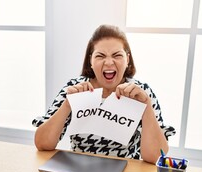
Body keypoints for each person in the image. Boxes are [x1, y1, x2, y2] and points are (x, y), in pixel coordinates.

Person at [32, 24, 175, 164]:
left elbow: (157, 156)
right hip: (79, 170)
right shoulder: (75, 88)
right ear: (91, 61)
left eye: (117, 55)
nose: (108, 62)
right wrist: (67, 105)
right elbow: (42, 144)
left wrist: (147, 107)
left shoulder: (140, 92)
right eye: (100, 56)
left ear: (127, 59)